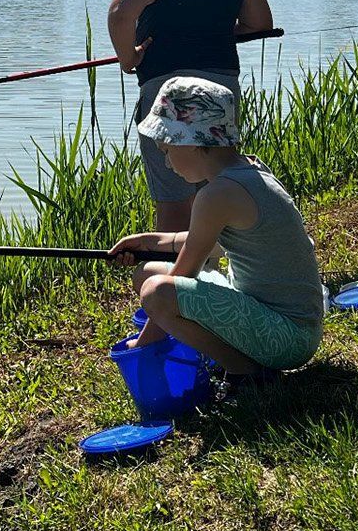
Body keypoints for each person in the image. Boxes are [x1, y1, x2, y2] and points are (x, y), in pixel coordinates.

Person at [108, 78, 322, 377]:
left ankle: (243, 372)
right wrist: (149, 241)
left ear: (191, 141)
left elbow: (185, 272)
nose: (167, 163)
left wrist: (144, 345)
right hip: (285, 325)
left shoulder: (217, 194)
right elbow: (211, 242)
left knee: (158, 292)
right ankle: (230, 357)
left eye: (167, 150)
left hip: (285, 338)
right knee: (148, 272)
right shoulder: (247, 172)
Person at [107, 0, 274, 234]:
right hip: (221, 90)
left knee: (173, 201)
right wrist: (215, 30)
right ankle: (206, 271)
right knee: (213, 189)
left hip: (169, 94)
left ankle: (173, 282)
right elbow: (260, 22)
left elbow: (120, 15)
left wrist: (128, 57)